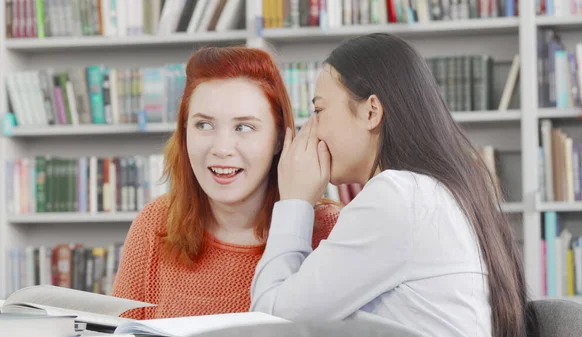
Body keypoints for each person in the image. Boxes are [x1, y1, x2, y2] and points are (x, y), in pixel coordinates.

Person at [250, 33, 530, 337]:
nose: (311, 129)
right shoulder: (439, 191)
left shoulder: (397, 196)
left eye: (319, 111)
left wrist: (294, 202)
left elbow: (270, 323)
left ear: (371, 111)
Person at [111, 46, 340, 320]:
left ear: (279, 138)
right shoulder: (154, 224)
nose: (222, 148)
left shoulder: (329, 231)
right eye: (204, 125)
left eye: (244, 127)